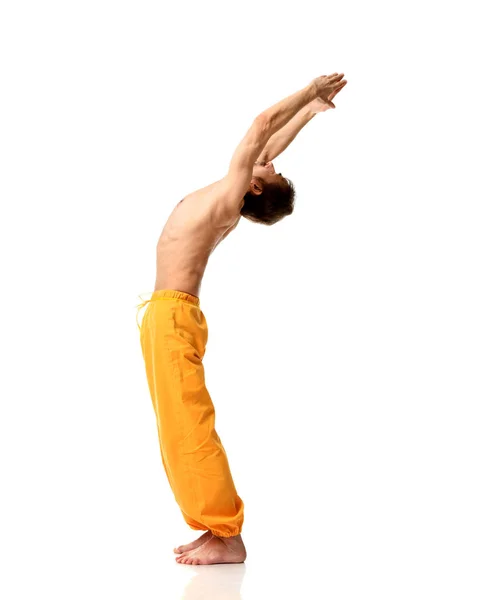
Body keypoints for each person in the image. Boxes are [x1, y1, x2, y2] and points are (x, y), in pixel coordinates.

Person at [136, 73, 348, 566]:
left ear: (253, 186)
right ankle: (213, 527)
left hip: (172, 317)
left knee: (190, 427)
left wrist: (304, 89)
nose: (270, 161)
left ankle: (227, 534)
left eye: (269, 170)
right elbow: (271, 140)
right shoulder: (235, 189)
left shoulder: (231, 192)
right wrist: (310, 111)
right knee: (175, 428)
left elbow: (259, 126)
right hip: (164, 315)